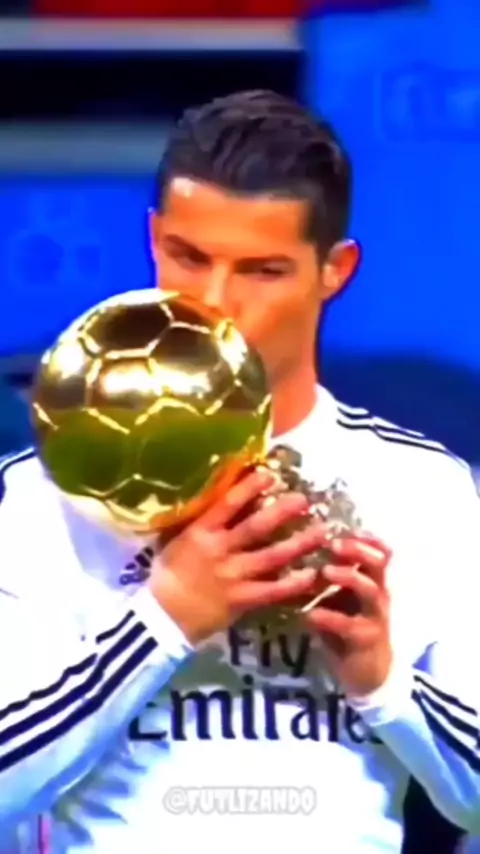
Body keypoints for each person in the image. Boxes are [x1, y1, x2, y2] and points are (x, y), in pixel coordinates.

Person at [2, 90, 480, 853]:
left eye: (262, 270)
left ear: (335, 271)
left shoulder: (424, 488)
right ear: (154, 239)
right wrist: (166, 619)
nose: (214, 304)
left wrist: (383, 680)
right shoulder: (45, 491)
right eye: (189, 257)